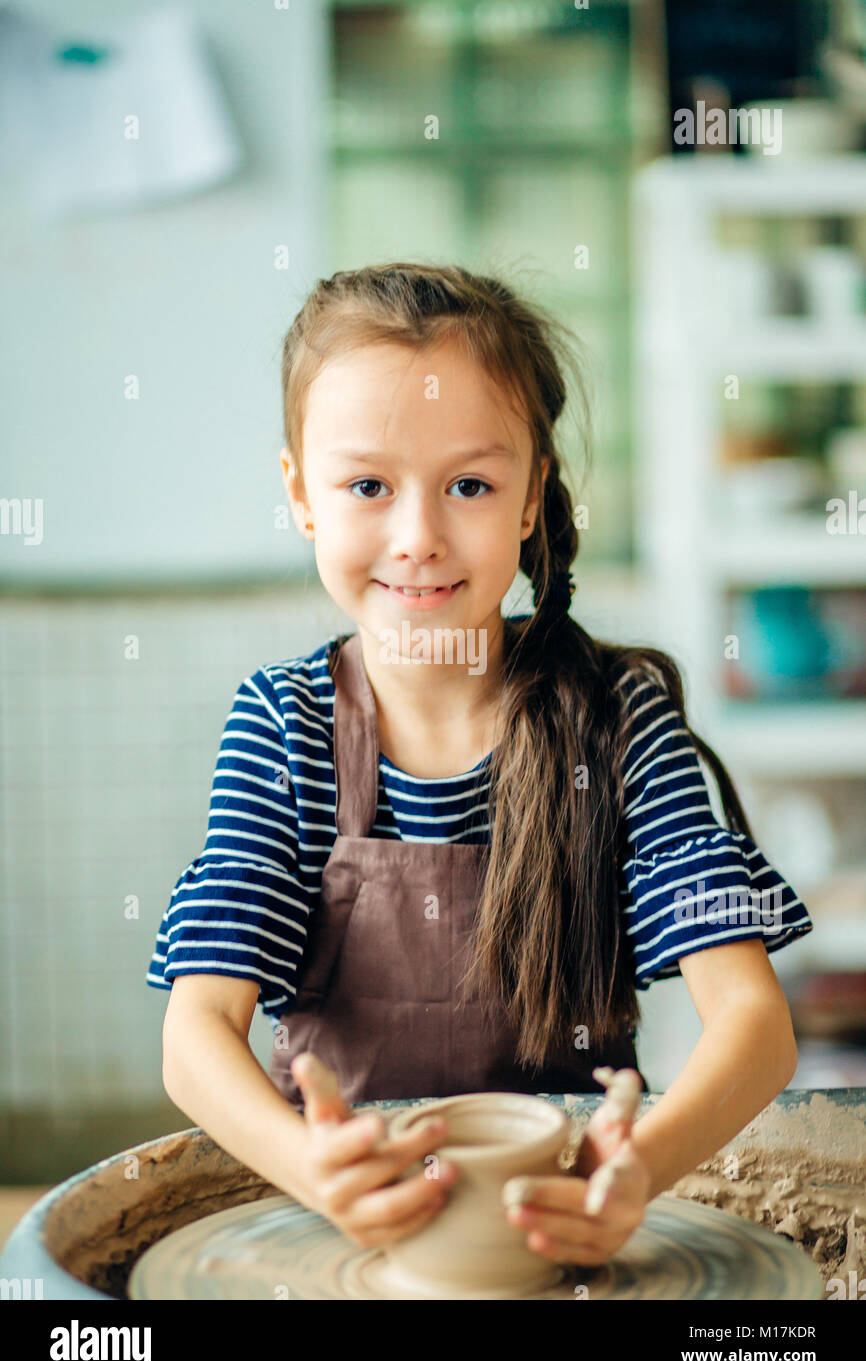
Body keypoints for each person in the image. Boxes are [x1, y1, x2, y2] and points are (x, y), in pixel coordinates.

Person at [148, 263, 813, 1270]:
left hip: (568, 1238)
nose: (417, 538)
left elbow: (756, 1024)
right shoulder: (281, 725)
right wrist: (306, 1161)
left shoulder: (615, 719)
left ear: (530, 492)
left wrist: (635, 1172)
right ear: (300, 494)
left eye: (468, 484)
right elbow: (196, 1030)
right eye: (367, 485)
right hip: (340, 1244)